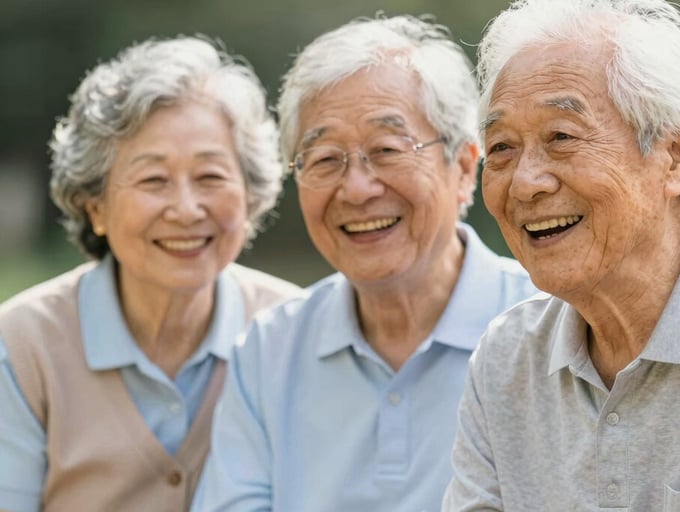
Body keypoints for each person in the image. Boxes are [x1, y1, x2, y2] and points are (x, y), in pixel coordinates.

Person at [192, 15, 537, 512]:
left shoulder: (553, 328)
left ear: (463, 167)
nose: (356, 188)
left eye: (387, 149)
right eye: (325, 159)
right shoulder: (269, 350)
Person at [441, 0, 680, 510]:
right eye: (501, 147)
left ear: (675, 155)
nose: (525, 183)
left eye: (562, 137)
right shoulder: (507, 358)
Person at [0, 36, 302, 512]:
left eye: (211, 176)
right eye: (153, 180)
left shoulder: (295, 330)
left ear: (251, 197)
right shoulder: (21, 345)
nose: (186, 209)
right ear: (94, 205)